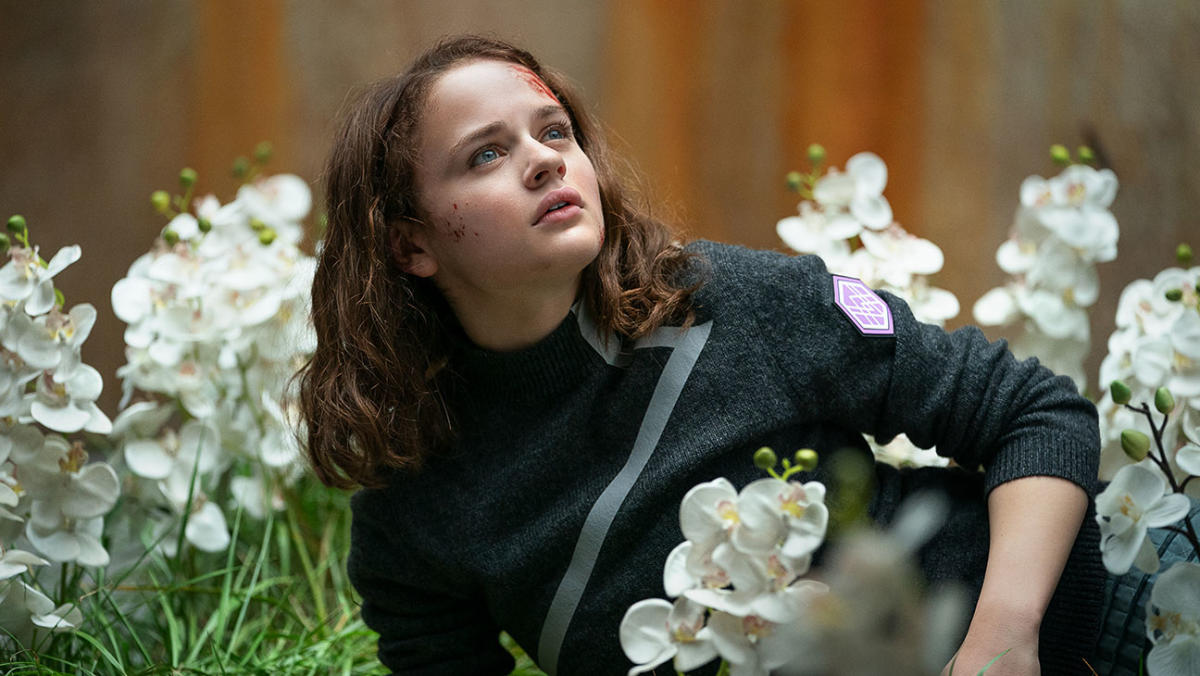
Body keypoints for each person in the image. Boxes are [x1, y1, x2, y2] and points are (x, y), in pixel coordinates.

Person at [297, 35, 1106, 675]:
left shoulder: (740, 300)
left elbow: (1039, 414)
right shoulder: (412, 508)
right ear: (410, 245)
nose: (545, 158)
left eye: (554, 131)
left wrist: (999, 649)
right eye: (485, 154)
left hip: (1100, 624)